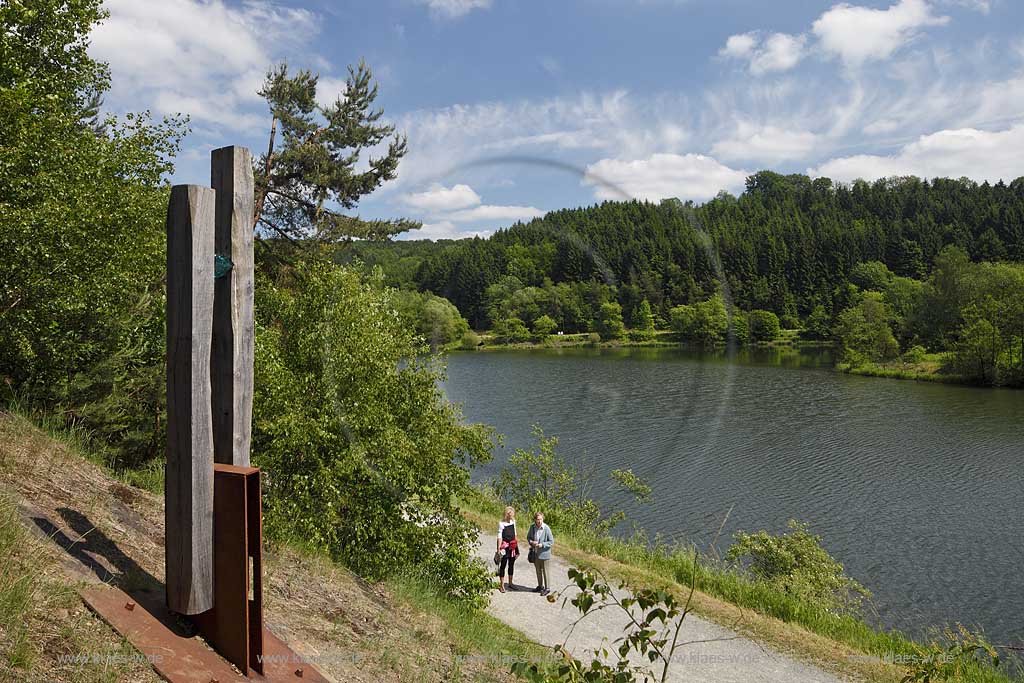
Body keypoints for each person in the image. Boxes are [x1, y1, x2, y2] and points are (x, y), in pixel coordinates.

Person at [527, 511, 554, 595]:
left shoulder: (546, 528)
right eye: (537, 519)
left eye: (541, 519)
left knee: (546, 571)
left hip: (545, 554)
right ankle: (540, 586)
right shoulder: (532, 527)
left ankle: (547, 588)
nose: (539, 521)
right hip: (535, 553)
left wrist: (542, 545)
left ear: (543, 519)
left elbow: (551, 541)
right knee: (538, 570)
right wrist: (532, 542)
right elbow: (528, 537)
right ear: (535, 520)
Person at [496, 505, 519, 592]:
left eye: (513, 514)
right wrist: (498, 549)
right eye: (511, 514)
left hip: (512, 547)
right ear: (507, 514)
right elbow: (499, 537)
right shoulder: (501, 523)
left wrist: (517, 549)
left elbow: (515, 535)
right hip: (505, 547)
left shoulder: (513, 521)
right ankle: (502, 585)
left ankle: (510, 583)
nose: (512, 515)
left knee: (511, 565)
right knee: (503, 566)